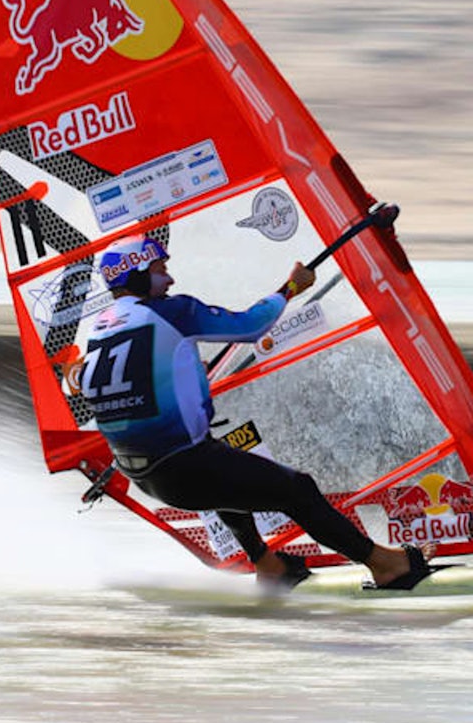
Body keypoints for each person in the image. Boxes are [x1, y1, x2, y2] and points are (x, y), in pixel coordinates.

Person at [81, 235, 434, 591]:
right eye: (161, 271)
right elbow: (249, 326)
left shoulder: (101, 327)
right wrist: (291, 287)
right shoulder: (172, 312)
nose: (170, 280)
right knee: (297, 489)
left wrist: (181, 373)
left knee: (223, 477)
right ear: (136, 273)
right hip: (183, 466)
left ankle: (268, 565)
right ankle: (385, 564)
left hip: (143, 474)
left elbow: (111, 385)